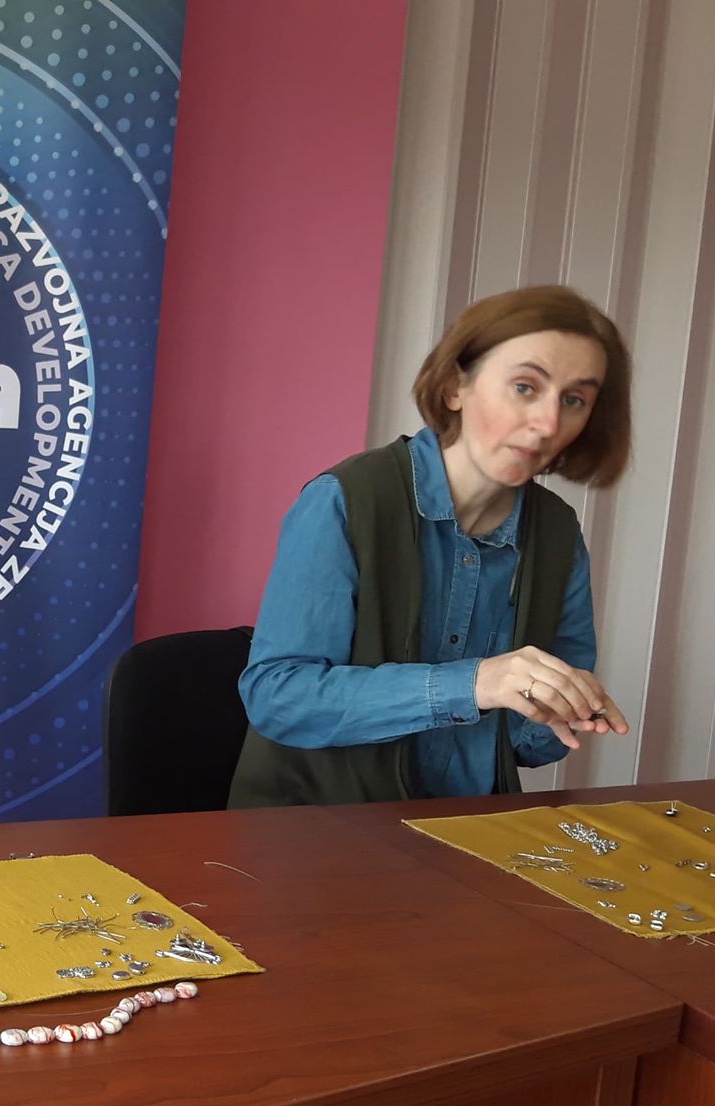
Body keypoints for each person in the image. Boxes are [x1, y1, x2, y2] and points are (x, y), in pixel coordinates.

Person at [230, 285, 633, 806]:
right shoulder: (344, 501)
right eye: (525, 387)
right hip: (315, 831)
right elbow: (278, 696)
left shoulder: (558, 533)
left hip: (466, 830)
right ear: (453, 387)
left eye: (574, 400)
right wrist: (475, 684)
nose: (548, 423)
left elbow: (530, 747)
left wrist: (562, 708)